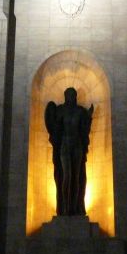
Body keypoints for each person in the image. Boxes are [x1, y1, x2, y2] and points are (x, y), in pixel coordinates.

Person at [45, 88, 94, 216]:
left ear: (76, 96)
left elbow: (84, 129)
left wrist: (88, 118)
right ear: (65, 96)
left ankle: (75, 207)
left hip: (77, 145)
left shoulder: (80, 111)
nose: (71, 96)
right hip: (65, 145)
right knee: (66, 176)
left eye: (73, 94)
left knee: (77, 177)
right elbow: (54, 128)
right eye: (68, 94)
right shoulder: (60, 110)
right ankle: (64, 207)